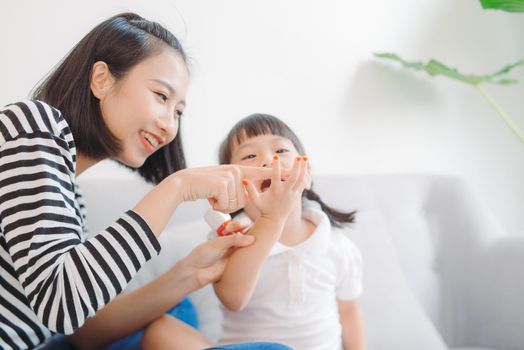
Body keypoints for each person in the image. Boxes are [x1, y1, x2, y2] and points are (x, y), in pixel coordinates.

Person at [0, 13, 290, 350]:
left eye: (178, 111)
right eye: (162, 97)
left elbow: (80, 330)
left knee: (177, 307)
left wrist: (193, 272)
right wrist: (178, 187)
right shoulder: (31, 124)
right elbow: (62, 304)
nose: (169, 125)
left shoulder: (71, 195)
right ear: (102, 79)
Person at [142, 114, 366, 349]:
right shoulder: (230, 236)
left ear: (306, 174)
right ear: (232, 187)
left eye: (280, 151)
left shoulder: (336, 244)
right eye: (250, 156)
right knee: (162, 330)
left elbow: (349, 314)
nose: (268, 160)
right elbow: (233, 300)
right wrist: (271, 219)